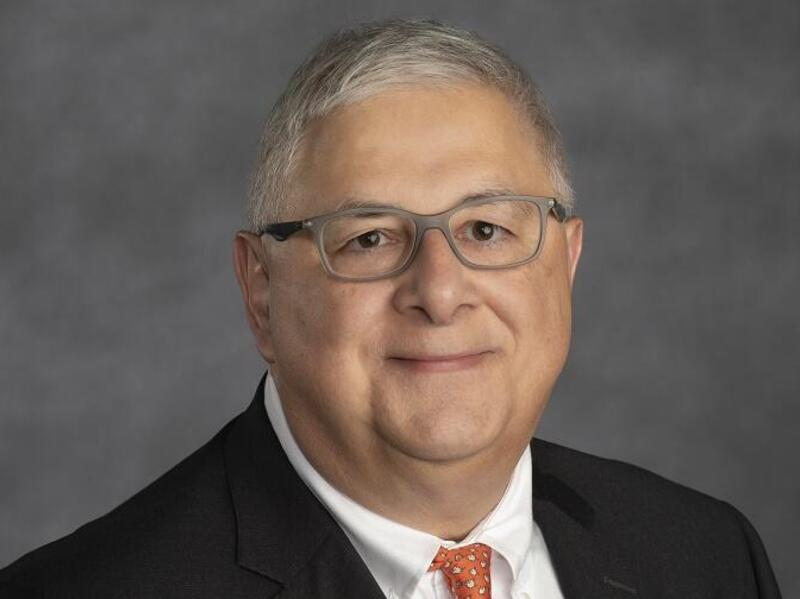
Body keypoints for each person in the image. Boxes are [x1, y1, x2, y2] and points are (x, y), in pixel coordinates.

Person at [0, 18, 781, 599]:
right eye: (370, 237)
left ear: (566, 263)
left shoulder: (707, 557)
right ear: (261, 290)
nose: (440, 292)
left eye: (487, 227)